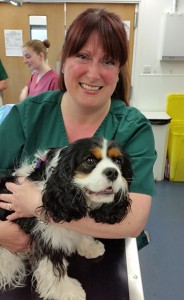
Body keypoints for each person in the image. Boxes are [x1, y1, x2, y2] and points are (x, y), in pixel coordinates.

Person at [0, 8, 156, 255]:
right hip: (25, 254)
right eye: (83, 56)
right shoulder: (27, 116)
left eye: (107, 61)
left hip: (104, 258)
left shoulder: (133, 128)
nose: (93, 74)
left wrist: (40, 206)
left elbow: (133, 222)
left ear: (118, 71)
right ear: (63, 60)